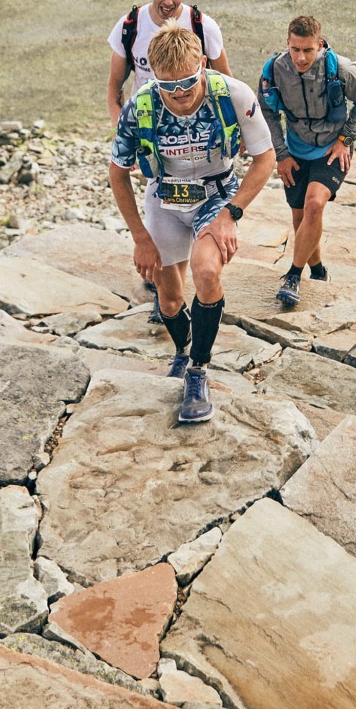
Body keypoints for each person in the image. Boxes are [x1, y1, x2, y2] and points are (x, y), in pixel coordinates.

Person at [108, 24, 275, 424]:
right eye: (168, 86)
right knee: (168, 300)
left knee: (205, 272)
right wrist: (140, 238)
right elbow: (117, 173)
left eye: (187, 81)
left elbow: (264, 159)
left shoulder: (233, 95)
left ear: (203, 64)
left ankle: (198, 370)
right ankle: (183, 351)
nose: (179, 93)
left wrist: (230, 213)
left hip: (215, 196)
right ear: (154, 79)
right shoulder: (142, 105)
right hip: (164, 198)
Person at [258, 15, 356, 309]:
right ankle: (318, 271)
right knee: (301, 220)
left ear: (320, 45)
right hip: (295, 151)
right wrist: (281, 155)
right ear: (288, 43)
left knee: (314, 205)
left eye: (308, 50)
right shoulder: (275, 70)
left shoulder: (342, 69)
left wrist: (345, 140)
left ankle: (293, 276)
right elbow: (267, 112)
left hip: (331, 150)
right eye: (296, 49)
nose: (301, 57)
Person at [104, 0, 230, 122]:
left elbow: (225, 82)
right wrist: (118, 129)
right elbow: (115, 86)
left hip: (197, 122)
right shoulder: (128, 26)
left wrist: (234, 124)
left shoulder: (203, 26)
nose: (168, 2)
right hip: (147, 122)